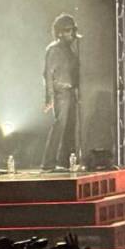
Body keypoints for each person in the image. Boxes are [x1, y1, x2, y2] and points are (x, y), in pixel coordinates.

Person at [41, 14, 81, 171]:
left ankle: (65, 161)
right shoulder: (53, 50)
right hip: (60, 93)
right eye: (68, 30)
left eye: (72, 30)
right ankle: (48, 163)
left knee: (70, 128)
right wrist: (49, 98)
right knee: (59, 126)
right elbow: (48, 75)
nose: (71, 34)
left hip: (70, 92)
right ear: (60, 32)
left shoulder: (71, 50)